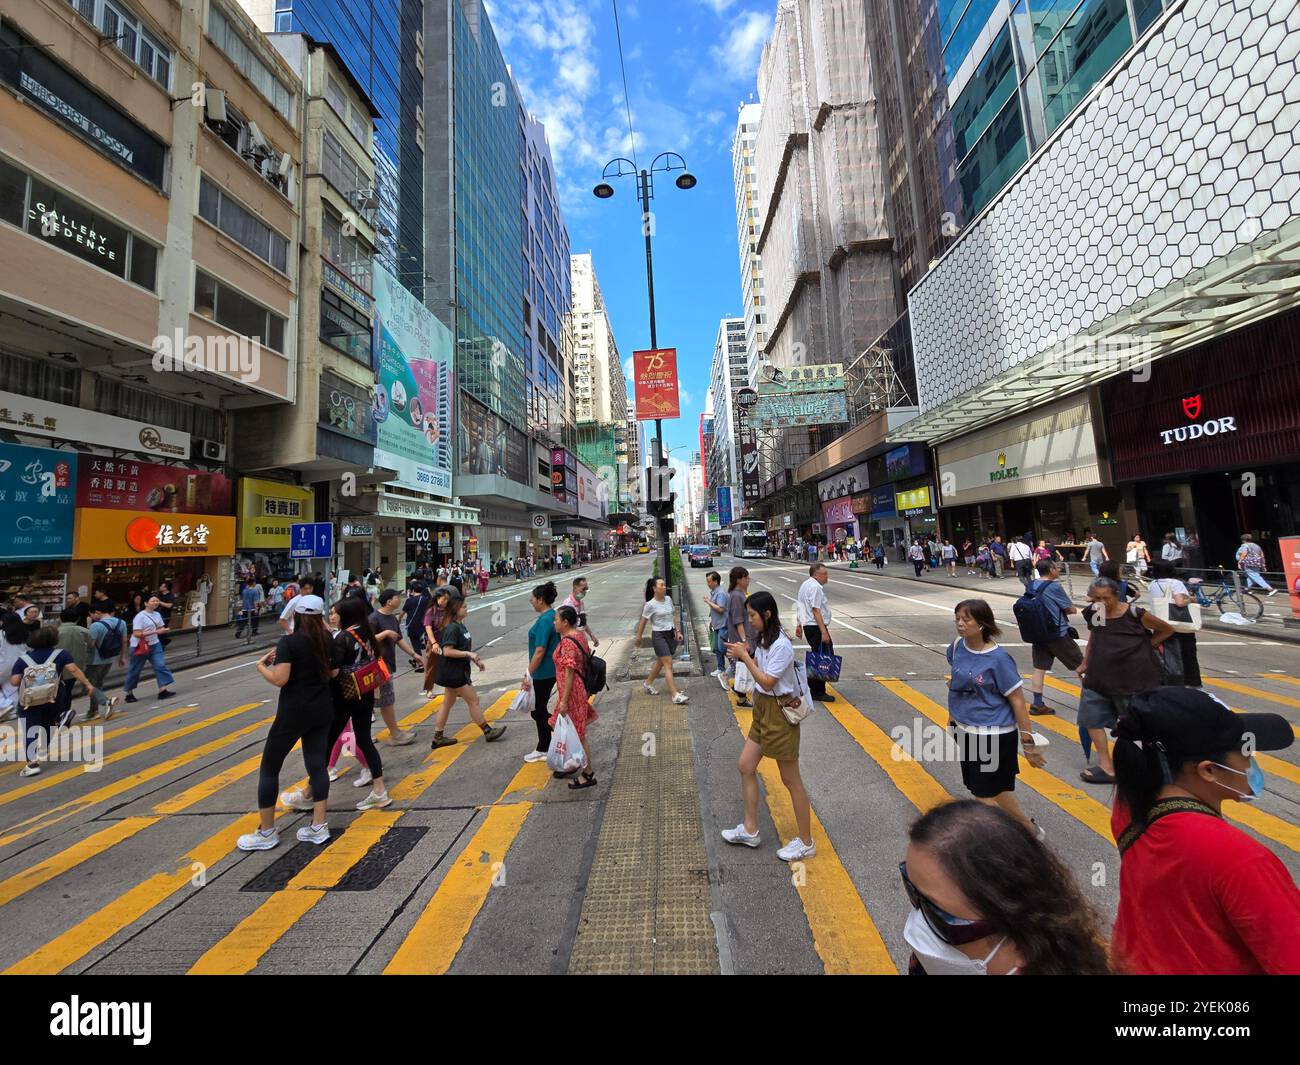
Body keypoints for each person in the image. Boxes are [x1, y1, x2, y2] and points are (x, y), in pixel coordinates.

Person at [1110, 687, 1300, 974]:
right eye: (1246, 753)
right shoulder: (1239, 859)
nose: (1253, 763)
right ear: (1208, 771)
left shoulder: (1128, 810)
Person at [901, 800, 1110, 975]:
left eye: (939, 916)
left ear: (1024, 941)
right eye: (912, 890)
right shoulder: (922, 967)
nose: (917, 925)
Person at [721, 590, 815, 862]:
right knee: (746, 765)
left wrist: (746, 656)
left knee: (790, 780)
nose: (750, 621)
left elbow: (767, 682)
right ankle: (750, 830)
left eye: (752, 616)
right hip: (763, 709)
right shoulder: (764, 640)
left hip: (780, 713)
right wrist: (746, 652)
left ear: (767, 614)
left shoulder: (781, 646)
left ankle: (807, 842)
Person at [238, 596, 336, 850]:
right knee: (317, 765)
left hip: (293, 713)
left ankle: (267, 831)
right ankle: (319, 826)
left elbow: (280, 679)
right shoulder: (327, 639)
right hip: (322, 708)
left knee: (270, 767)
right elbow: (333, 673)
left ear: (298, 616)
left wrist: (261, 667)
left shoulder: (290, 642)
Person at [284, 597, 390, 818]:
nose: (331, 616)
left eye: (335, 613)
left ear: (346, 615)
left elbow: (333, 672)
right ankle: (379, 790)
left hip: (344, 696)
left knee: (325, 744)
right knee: (364, 740)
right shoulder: (366, 631)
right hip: (365, 692)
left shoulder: (342, 637)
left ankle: (309, 794)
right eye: (330, 612)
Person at [946, 599, 1045, 834]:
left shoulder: (999, 659)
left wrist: (1028, 742)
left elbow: (1018, 701)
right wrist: (952, 717)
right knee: (990, 788)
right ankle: (1028, 829)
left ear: (982, 624)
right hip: (965, 729)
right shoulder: (958, 646)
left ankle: (1000, 848)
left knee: (983, 795)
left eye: (966, 619)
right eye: (957, 618)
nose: (960, 623)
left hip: (993, 735)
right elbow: (956, 681)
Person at [1077, 577, 1175, 785]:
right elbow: (1095, 636)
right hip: (1098, 676)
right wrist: (1085, 662)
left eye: (1106, 598)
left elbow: (1166, 629)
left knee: (1136, 726)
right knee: (1091, 720)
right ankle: (1106, 765)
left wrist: (1145, 647)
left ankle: (1152, 766)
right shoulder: (1097, 612)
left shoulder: (1134, 614)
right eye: (1096, 598)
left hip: (1132, 679)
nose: (1102, 602)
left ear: (1117, 595)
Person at [10, 625, 100, 776]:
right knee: (49, 725)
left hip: (30, 700)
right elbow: (74, 670)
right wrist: (88, 684)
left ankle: (32, 764)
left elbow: (14, 681)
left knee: (30, 730)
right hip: (54, 697)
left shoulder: (23, 659)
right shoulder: (61, 654)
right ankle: (44, 747)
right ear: (53, 640)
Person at [428, 595, 506, 748]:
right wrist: (469, 654)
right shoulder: (452, 627)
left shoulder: (460, 625)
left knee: (447, 703)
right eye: (464, 606)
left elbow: (462, 648)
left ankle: (438, 737)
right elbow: (448, 651)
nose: (466, 608)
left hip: (457, 670)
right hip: (454, 672)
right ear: (456, 610)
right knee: (473, 700)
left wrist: (475, 660)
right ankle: (487, 731)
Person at [1024, 559, 1082, 716]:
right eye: (1056, 567)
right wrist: (1073, 609)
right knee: (1082, 666)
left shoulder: (1032, 584)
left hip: (1038, 633)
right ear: (1050, 570)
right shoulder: (1054, 586)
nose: (1058, 569)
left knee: (1039, 668)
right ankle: (1092, 701)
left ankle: (1037, 703)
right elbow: (1069, 609)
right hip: (1057, 633)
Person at [552, 605, 597, 789]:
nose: (554, 622)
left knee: (578, 734)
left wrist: (564, 701)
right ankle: (570, 764)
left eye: (556, 619)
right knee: (563, 728)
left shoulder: (569, 642)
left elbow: (570, 672)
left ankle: (588, 773)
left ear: (565, 622)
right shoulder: (579, 635)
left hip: (571, 693)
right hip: (573, 691)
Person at [368, 588, 418, 745]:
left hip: (387, 663)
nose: (400, 598)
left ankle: (368, 735)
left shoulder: (393, 618)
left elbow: (399, 639)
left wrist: (414, 655)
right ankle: (395, 734)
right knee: (386, 700)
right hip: (377, 665)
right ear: (389, 601)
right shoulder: (374, 618)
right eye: (397, 596)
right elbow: (366, 641)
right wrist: (385, 633)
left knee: (380, 700)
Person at [522, 581, 561, 764]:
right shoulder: (551, 615)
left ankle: (545, 746)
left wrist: (528, 673)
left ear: (541, 600)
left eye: (533, 598)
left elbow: (540, 651)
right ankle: (546, 743)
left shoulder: (546, 620)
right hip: (548, 670)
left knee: (538, 710)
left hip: (543, 672)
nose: (531, 601)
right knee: (538, 709)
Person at [635, 577, 688, 704]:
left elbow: (672, 616)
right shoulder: (650, 605)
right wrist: (638, 638)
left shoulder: (668, 599)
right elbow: (643, 622)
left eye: (664, 585)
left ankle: (647, 683)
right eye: (661, 585)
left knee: (661, 661)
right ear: (654, 588)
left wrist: (677, 631)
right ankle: (675, 695)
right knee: (668, 663)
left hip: (670, 634)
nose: (664, 587)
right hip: (658, 636)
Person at [1147, 560, 1200, 687]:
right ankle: (1191, 683)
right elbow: (1180, 602)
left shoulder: (1153, 584)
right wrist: (1192, 599)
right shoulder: (1176, 583)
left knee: (1167, 656)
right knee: (1187, 655)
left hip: (1159, 624)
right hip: (1177, 625)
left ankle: (1169, 681)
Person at [123, 595, 176, 703]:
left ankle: (163, 690)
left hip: (154, 644)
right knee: (135, 669)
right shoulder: (140, 616)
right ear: (146, 603)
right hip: (139, 646)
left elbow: (160, 627)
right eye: (153, 601)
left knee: (160, 665)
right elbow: (136, 633)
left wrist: (164, 630)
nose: (156, 602)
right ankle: (129, 693)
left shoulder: (157, 614)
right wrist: (156, 632)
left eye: (157, 601)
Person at [795, 563, 835, 704]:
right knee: (823, 658)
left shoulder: (805, 585)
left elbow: (800, 606)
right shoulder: (815, 587)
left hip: (809, 626)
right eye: (824, 574)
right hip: (816, 626)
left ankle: (812, 686)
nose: (827, 576)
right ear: (816, 574)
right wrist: (824, 631)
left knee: (817, 656)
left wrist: (799, 624)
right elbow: (815, 610)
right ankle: (818, 691)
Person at [55, 608, 94, 718]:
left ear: (60, 618)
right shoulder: (84, 631)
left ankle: (58, 715)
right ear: (78, 618)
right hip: (77, 667)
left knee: (57, 692)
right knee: (68, 691)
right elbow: (91, 646)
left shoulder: (55, 632)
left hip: (57, 667)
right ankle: (65, 714)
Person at [421, 586, 457, 698]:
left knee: (451, 665)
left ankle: (454, 688)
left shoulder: (449, 611)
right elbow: (428, 628)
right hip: (435, 642)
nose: (445, 601)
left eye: (447, 599)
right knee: (432, 666)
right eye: (443, 599)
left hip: (448, 641)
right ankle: (429, 689)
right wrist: (434, 643)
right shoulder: (431, 611)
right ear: (437, 598)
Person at [705, 570, 730, 686]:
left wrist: (709, 602)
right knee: (717, 648)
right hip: (717, 624)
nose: (708, 583)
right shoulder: (714, 592)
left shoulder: (720, 593)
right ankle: (720, 668)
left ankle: (736, 663)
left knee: (721, 647)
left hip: (724, 624)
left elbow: (720, 609)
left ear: (715, 581)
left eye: (709, 581)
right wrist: (712, 621)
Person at [561, 576, 599, 649]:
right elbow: (563, 628)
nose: (585, 592)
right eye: (583, 589)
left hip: (581, 640)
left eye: (586, 589)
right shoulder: (568, 605)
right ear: (575, 588)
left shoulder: (580, 602)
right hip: (572, 644)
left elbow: (583, 622)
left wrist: (592, 636)